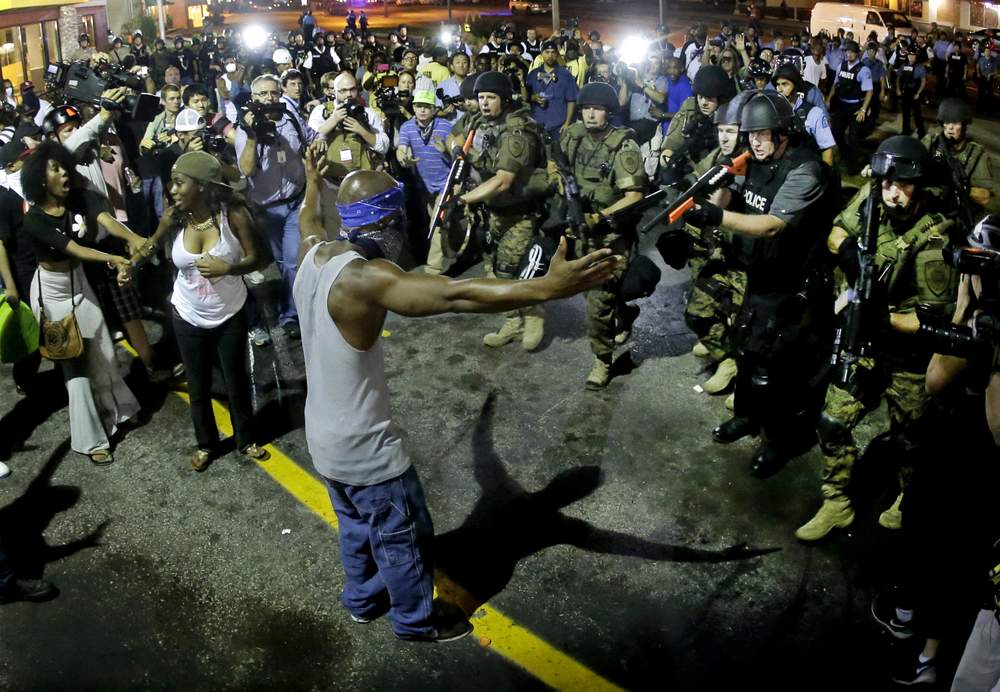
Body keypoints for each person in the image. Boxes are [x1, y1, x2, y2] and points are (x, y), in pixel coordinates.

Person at [293, 146, 619, 641]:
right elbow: (455, 294)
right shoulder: (366, 279)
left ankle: (361, 600)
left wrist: (313, 180)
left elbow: (306, 217)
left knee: (358, 528)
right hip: (366, 449)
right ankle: (415, 622)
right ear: (388, 225)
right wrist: (546, 289)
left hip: (321, 437)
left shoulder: (313, 252)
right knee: (404, 538)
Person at [796, 136, 960, 542]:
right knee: (832, 420)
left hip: (908, 355)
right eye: (887, 183)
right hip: (866, 342)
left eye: (902, 185)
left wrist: (877, 316)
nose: (892, 192)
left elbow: (931, 319)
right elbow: (838, 228)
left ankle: (909, 498)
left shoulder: (933, 238)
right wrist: (849, 249)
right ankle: (836, 502)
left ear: (918, 186)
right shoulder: (873, 201)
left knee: (910, 441)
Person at [687, 90, 833, 477]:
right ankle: (747, 416)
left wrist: (715, 216)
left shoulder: (806, 170)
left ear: (783, 132)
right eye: (749, 135)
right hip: (761, 275)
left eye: (762, 134)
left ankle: (781, 440)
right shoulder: (754, 159)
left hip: (794, 283)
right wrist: (721, 185)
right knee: (748, 350)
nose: (754, 142)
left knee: (780, 367)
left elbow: (771, 225)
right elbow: (735, 195)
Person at [136, 152, 271, 470]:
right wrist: (131, 265)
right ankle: (206, 444)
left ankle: (245, 438)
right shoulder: (176, 216)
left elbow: (259, 258)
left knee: (235, 379)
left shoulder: (232, 215)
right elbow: (152, 244)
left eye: (180, 182)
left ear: (201, 186)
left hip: (229, 312)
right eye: (173, 182)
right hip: (187, 313)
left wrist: (230, 267)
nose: (173, 189)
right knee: (197, 384)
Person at [21, 141, 140, 464]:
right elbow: (74, 248)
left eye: (64, 166)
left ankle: (120, 409)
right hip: (52, 295)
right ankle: (90, 440)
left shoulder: (78, 198)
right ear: (41, 180)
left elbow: (104, 218)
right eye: (56, 169)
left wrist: (133, 238)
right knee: (75, 368)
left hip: (80, 284)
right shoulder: (35, 219)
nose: (64, 173)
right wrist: (113, 257)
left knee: (102, 348)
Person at [557, 82, 646, 388]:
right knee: (595, 293)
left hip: (611, 236)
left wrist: (600, 217)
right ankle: (623, 314)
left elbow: (634, 196)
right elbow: (558, 165)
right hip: (582, 232)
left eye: (597, 109)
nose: (590, 114)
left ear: (609, 112)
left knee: (597, 302)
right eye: (585, 108)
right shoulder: (576, 136)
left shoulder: (624, 147)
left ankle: (602, 359)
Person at [456, 71, 548, 350]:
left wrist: (464, 200)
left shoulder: (518, 131)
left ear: (505, 99)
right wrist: (457, 150)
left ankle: (533, 314)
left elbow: (503, 180)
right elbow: (457, 135)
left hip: (520, 212)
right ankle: (512, 320)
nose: (484, 103)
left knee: (512, 270)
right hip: (492, 210)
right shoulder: (481, 121)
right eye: (480, 97)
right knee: (492, 270)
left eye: (490, 98)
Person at [236, 74, 316, 340]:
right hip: (267, 209)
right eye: (263, 95)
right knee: (282, 262)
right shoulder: (245, 129)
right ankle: (289, 301)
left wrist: (318, 145)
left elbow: (312, 137)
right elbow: (246, 169)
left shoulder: (291, 119)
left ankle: (291, 315)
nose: (269, 99)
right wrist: (252, 136)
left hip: (296, 202)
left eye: (273, 93)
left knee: (293, 261)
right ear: (253, 98)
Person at [396, 87, 453, 275]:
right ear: (413, 107)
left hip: (446, 182)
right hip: (425, 186)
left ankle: (433, 270)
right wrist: (403, 158)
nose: (422, 110)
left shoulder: (445, 126)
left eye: (427, 107)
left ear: (434, 109)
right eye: (418, 106)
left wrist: (445, 149)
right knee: (437, 223)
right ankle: (456, 250)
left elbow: (458, 153)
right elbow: (401, 148)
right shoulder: (407, 127)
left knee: (436, 223)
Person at [659, 65, 735, 187]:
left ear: (721, 98)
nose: (703, 103)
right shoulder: (690, 105)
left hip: (712, 178)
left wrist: (694, 176)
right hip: (686, 170)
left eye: (709, 98)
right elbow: (672, 141)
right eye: (700, 97)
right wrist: (669, 161)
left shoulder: (730, 119)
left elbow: (720, 156)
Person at [922, 98, 995, 215]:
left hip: (957, 212)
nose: (950, 127)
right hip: (928, 206)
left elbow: (985, 196)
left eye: (955, 123)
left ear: (964, 125)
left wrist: (961, 188)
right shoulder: (931, 142)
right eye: (947, 122)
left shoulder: (975, 153)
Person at [771, 64, 838, 166]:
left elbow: (826, 150)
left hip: (807, 168)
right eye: (778, 84)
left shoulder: (814, 113)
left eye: (785, 84)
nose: (779, 89)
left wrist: (826, 175)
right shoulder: (771, 110)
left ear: (796, 85)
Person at [826, 40, 873, 170]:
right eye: (847, 52)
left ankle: (853, 166)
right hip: (842, 105)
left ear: (857, 54)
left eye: (852, 52)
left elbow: (869, 91)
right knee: (835, 132)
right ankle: (845, 154)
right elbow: (835, 85)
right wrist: (829, 99)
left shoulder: (863, 70)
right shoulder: (842, 66)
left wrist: (863, 109)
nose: (849, 55)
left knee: (853, 137)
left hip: (855, 107)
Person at [896, 48, 927, 138]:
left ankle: (921, 132)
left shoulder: (919, 67)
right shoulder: (904, 65)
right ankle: (905, 131)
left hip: (915, 91)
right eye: (909, 55)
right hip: (905, 91)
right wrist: (898, 89)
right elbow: (898, 78)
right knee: (905, 113)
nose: (911, 57)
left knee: (917, 114)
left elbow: (923, 81)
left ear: (916, 57)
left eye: (913, 55)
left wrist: (918, 93)